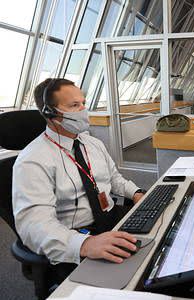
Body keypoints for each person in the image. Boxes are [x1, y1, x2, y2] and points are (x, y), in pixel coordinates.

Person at [12, 78, 145, 282]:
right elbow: (33, 224)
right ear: (50, 113)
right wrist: (84, 244)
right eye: (74, 105)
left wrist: (135, 193)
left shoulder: (93, 143)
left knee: (157, 243)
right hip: (77, 235)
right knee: (129, 281)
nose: (84, 110)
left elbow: (115, 180)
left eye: (83, 102)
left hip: (112, 220)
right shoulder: (32, 161)